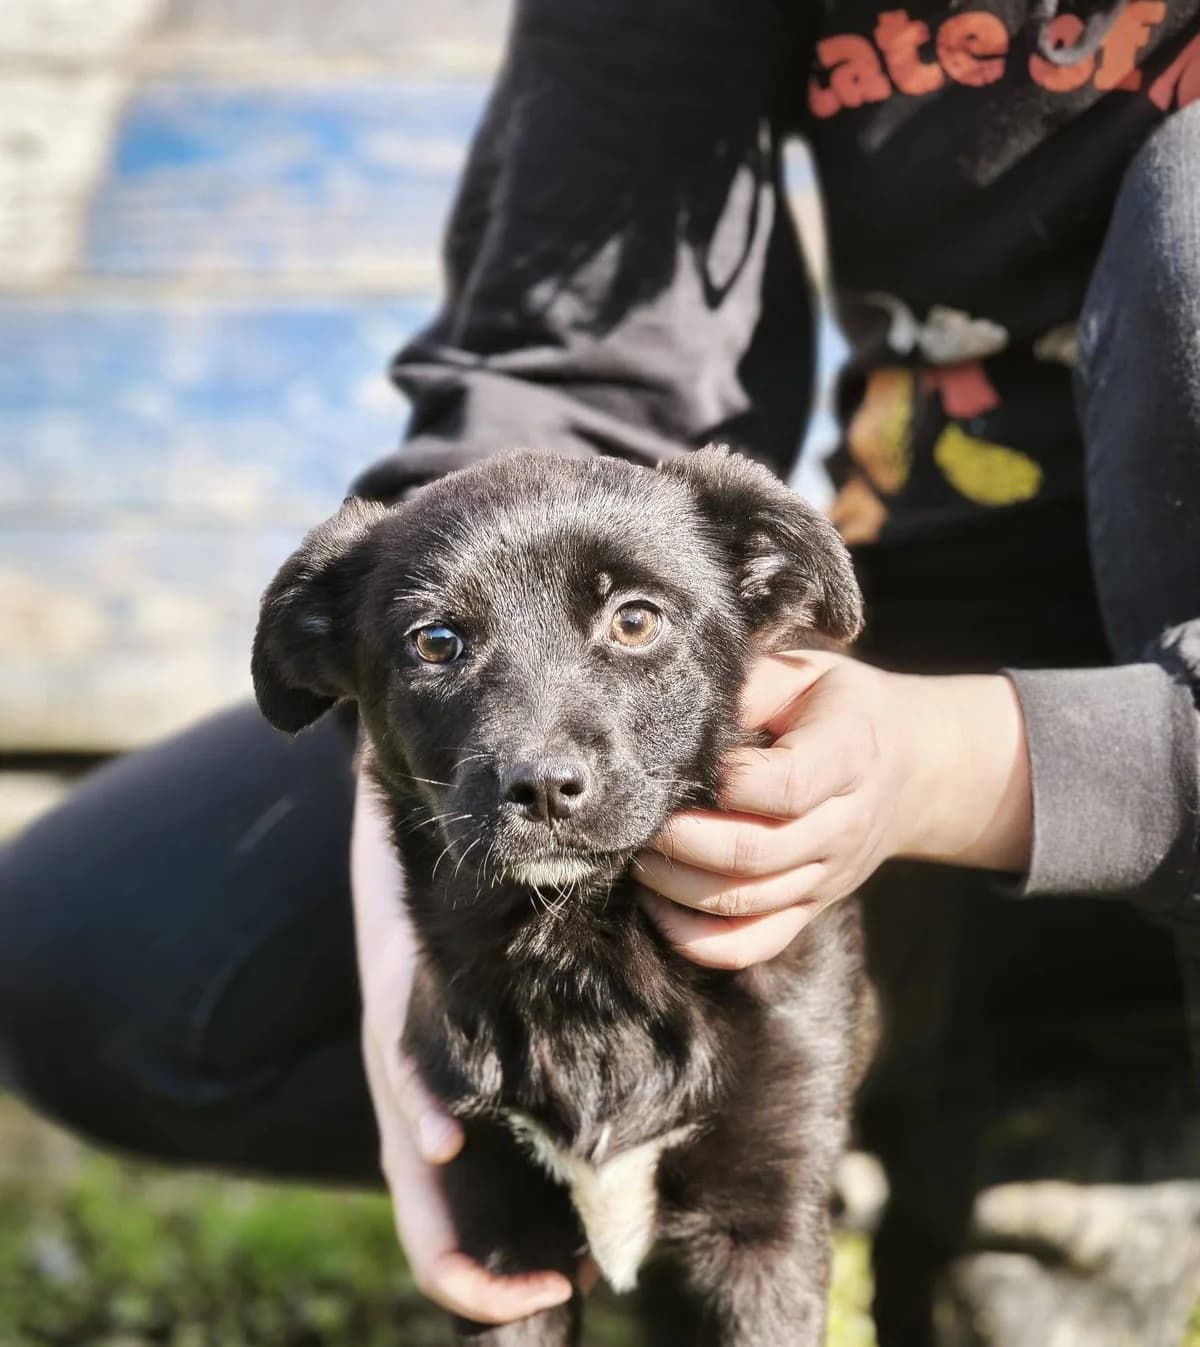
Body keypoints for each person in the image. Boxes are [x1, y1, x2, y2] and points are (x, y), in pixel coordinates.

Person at [2, 1, 1199, 1342]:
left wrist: (975, 766)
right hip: (908, 592)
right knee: (97, 957)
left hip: (1153, 730)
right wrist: (401, 879)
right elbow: (568, 368)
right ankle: (721, 1140)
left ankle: (1109, 1076)